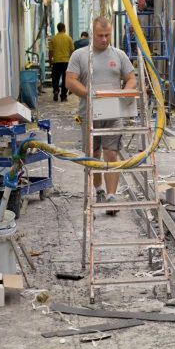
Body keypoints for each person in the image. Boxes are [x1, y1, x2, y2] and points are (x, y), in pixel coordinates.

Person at [65, 17, 137, 215]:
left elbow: (131, 78)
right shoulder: (80, 55)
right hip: (90, 112)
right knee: (94, 155)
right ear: (92, 34)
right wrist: (89, 95)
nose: (104, 40)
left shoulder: (119, 55)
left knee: (111, 153)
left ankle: (112, 197)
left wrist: (125, 92)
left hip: (114, 113)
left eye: (107, 35)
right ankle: (99, 190)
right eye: (100, 36)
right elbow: (70, 81)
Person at [48, 22, 74, 102]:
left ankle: (56, 90)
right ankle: (63, 96)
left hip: (56, 62)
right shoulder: (68, 38)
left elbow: (50, 51)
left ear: (58, 29)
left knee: (55, 78)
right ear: (64, 28)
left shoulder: (53, 38)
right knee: (65, 79)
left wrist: (50, 61)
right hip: (66, 62)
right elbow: (72, 51)